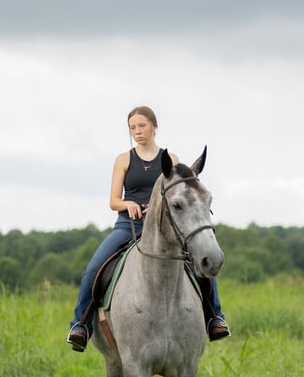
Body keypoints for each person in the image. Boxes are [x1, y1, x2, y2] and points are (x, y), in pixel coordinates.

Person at [66, 105, 230, 352]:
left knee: (198, 263)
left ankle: (214, 317)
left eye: (142, 126)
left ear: (154, 127)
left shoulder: (171, 160)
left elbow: (181, 194)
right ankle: (81, 324)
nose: (137, 131)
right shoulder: (123, 159)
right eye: (132, 127)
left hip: (166, 228)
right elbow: (113, 200)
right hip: (127, 225)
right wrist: (128, 203)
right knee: (93, 268)